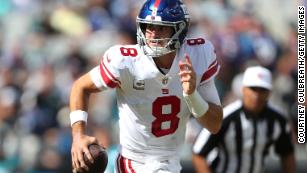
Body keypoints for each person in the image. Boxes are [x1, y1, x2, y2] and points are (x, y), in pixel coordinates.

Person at [70, 0, 223, 172]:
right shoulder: (126, 61)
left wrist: (192, 94)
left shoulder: (198, 54)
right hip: (134, 160)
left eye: (161, 27)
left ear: (179, 29)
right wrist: (78, 135)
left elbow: (214, 124)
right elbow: (80, 87)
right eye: (148, 26)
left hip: (171, 160)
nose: (152, 34)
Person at [192, 66, 295, 173]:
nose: (257, 95)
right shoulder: (226, 117)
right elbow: (198, 154)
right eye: (253, 89)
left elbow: (287, 154)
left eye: (262, 90)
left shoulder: (277, 120)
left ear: (269, 93)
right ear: (243, 90)